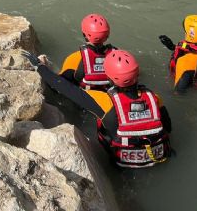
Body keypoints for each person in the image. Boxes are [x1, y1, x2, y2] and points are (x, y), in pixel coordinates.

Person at [24, 49, 172, 168]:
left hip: (121, 162)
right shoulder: (155, 98)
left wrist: (40, 67)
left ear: (110, 77)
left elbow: (62, 86)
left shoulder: (104, 101)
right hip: (159, 156)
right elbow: (168, 128)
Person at [58, 14, 117, 90]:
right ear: (107, 36)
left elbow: (78, 77)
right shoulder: (114, 52)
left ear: (84, 35)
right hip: (107, 88)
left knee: (68, 73)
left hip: (89, 89)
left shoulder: (85, 55)